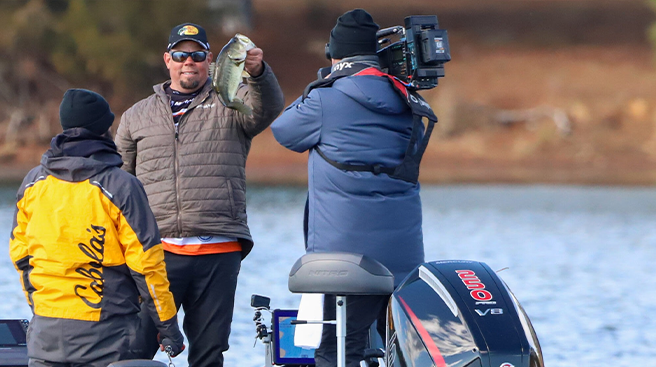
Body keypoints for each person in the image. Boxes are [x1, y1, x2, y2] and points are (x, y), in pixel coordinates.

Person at [114, 23, 284, 367]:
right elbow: (119, 187)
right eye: (180, 54)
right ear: (167, 60)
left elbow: (267, 109)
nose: (188, 61)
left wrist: (258, 73)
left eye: (196, 55)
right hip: (156, 256)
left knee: (208, 354)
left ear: (210, 59)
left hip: (218, 252)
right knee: (134, 351)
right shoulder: (136, 116)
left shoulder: (231, 102)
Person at [270, 9, 431, 367]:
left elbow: (284, 132)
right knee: (394, 349)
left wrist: (323, 82)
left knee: (336, 349)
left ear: (335, 54)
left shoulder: (327, 99)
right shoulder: (406, 98)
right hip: (403, 257)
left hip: (345, 258)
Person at [9, 89, 185, 367]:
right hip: (106, 339)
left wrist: (39, 308)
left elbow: (21, 257)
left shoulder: (33, 183)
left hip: (44, 337)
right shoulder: (121, 186)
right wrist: (169, 329)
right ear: (106, 129)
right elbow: (147, 266)